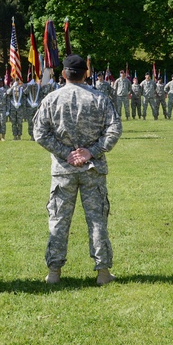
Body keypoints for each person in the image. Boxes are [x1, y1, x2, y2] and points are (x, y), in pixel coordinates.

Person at [33, 54, 122, 286]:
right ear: (87, 73)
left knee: (59, 220)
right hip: (93, 169)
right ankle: (103, 272)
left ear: (63, 74)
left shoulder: (51, 99)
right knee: (97, 220)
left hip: (64, 170)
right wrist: (91, 152)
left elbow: (39, 133)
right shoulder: (100, 98)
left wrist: (65, 153)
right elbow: (114, 130)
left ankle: (54, 273)